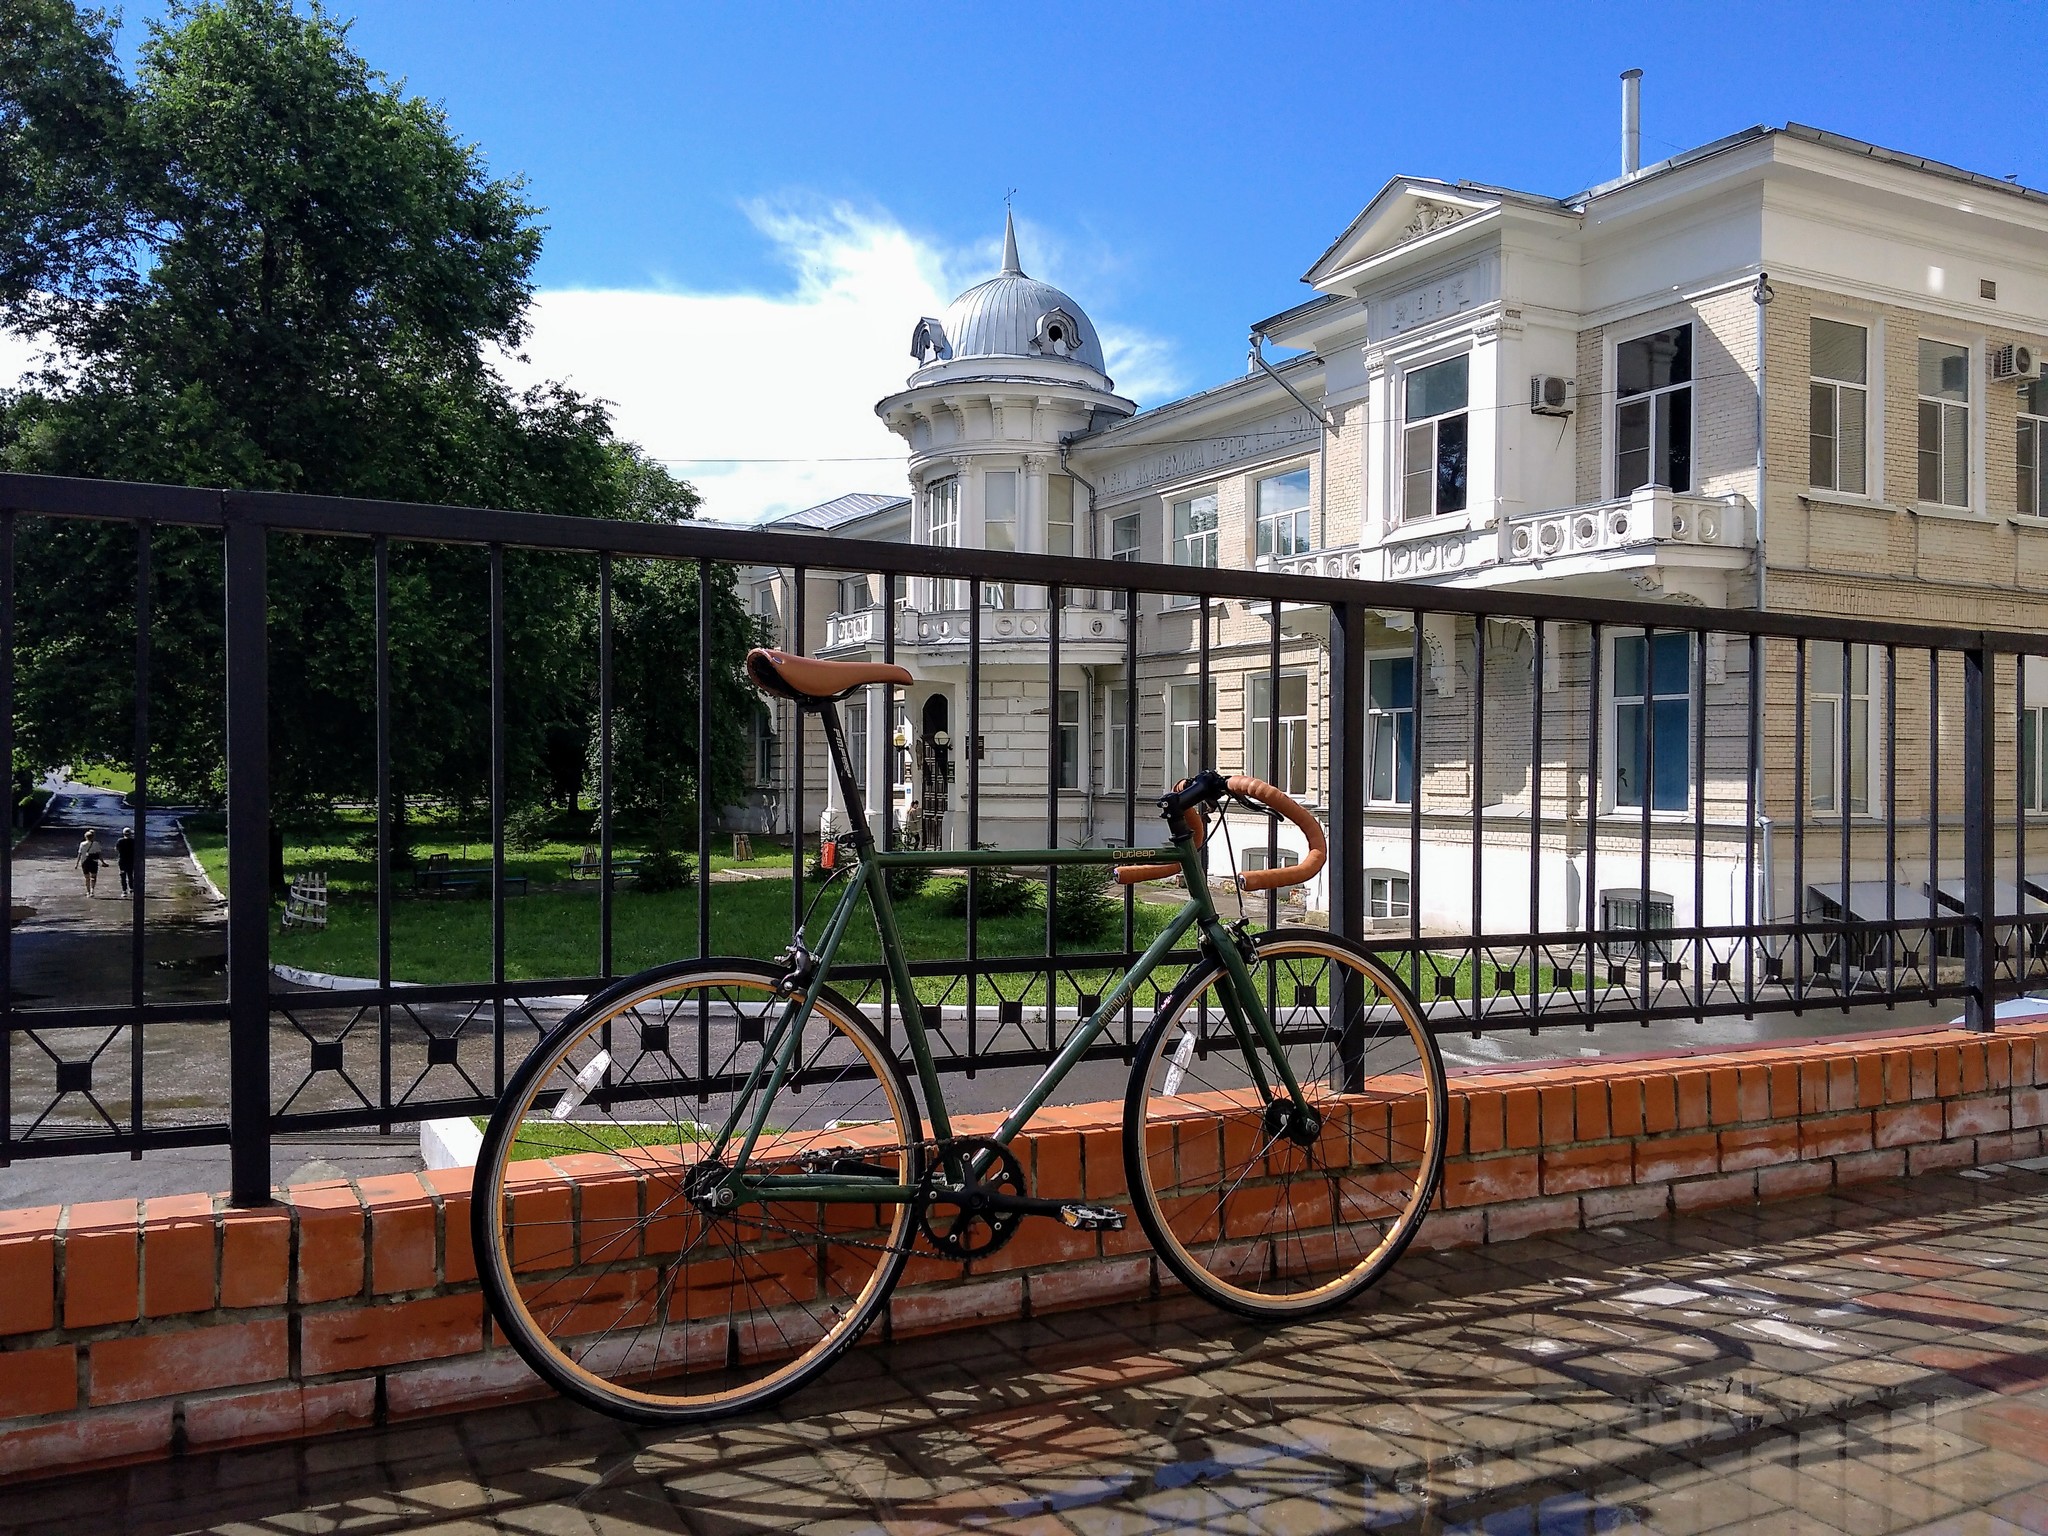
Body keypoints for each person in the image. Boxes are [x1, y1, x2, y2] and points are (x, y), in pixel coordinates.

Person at [76, 829, 102, 897]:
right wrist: (103, 862)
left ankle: (88, 892)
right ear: (93, 837)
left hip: (84, 862)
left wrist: (77, 864)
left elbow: (79, 854)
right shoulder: (96, 844)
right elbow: (99, 854)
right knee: (93, 877)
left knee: (87, 878)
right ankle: (92, 891)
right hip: (94, 862)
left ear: (85, 837)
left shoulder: (82, 844)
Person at [116, 827, 136, 896]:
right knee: (130, 875)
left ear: (123, 833)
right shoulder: (133, 841)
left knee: (123, 876)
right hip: (131, 860)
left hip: (122, 860)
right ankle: (131, 888)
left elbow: (117, 849)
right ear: (130, 834)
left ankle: (124, 890)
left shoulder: (120, 841)